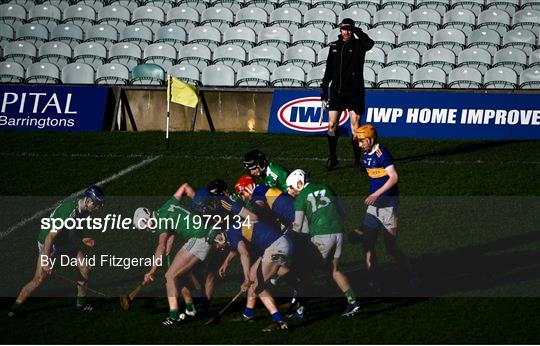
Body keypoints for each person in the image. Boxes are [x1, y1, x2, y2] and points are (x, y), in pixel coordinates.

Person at [8, 185, 104, 317]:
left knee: (86, 267)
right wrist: (46, 261)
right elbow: (50, 237)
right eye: (97, 204)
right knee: (39, 279)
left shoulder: (85, 210)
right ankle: (14, 309)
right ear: (88, 201)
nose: (99, 207)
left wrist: (82, 238)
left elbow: (74, 226)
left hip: (63, 241)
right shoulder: (68, 211)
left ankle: (80, 304)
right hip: (49, 243)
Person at [133, 185, 221, 326]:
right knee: (178, 275)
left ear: (146, 218)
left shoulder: (160, 221)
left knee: (170, 276)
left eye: (145, 226)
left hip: (199, 238)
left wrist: (152, 271)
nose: (148, 230)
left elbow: (160, 246)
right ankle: (190, 309)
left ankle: (174, 316)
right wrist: (195, 198)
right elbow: (185, 186)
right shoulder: (167, 205)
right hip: (202, 234)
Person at [286, 169, 360, 316]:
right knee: (335, 270)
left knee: (305, 273)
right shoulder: (326, 187)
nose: (290, 191)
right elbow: (343, 213)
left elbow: (298, 226)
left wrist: (287, 239)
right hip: (339, 233)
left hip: (321, 236)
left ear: (299, 184)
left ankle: (300, 308)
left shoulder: (301, 199)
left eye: (291, 187)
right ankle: (353, 302)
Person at [354, 124, 413, 289]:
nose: (360, 144)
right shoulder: (366, 155)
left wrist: (376, 194)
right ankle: (374, 280)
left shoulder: (382, 153)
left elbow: (394, 178)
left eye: (362, 141)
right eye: (358, 141)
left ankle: (410, 275)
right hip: (374, 208)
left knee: (391, 247)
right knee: (367, 245)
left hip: (388, 206)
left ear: (371, 139)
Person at [218, 221, 292, 332]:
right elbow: (235, 247)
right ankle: (248, 315)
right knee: (254, 275)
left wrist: (246, 279)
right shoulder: (232, 231)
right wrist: (226, 263)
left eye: (216, 244)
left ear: (220, 238)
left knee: (258, 286)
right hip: (275, 245)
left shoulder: (232, 234)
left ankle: (279, 321)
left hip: (276, 247)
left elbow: (245, 254)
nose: (218, 247)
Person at [321, 18, 375, 171]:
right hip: (337, 91)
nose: (347, 32)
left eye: (350, 29)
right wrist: (324, 88)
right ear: (340, 30)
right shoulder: (334, 47)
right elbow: (329, 69)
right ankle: (332, 157)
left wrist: (358, 31)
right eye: (344, 29)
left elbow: (370, 43)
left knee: (355, 126)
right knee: (331, 125)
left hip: (355, 92)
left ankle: (358, 160)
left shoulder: (359, 45)